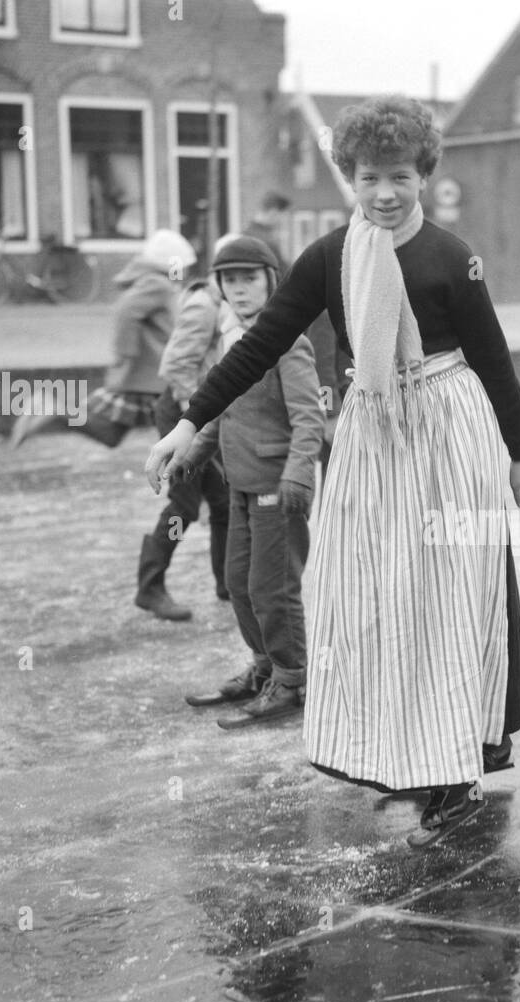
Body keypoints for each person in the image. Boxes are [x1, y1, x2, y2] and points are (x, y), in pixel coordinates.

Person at [144, 95, 520, 848]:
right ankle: (418, 753)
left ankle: (457, 772)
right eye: (367, 178)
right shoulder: (331, 256)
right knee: (377, 595)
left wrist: (518, 457)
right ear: (349, 178)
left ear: (423, 173)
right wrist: (190, 423)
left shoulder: (454, 257)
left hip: (448, 432)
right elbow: (257, 347)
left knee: (448, 600)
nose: (384, 193)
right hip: (373, 435)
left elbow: (493, 361)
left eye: (399, 175)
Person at [177, 235, 324, 727]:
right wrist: (194, 451)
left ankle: (291, 677)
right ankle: (264, 667)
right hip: (238, 481)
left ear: (272, 280)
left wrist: (299, 476)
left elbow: (309, 418)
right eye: (229, 281)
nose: (239, 291)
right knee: (239, 583)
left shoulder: (289, 342)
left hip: (277, 488)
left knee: (272, 587)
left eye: (249, 279)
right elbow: (222, 406)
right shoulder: (233, 340)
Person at [11, 228, 198, 453]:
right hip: (151, 376)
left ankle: (54, 411)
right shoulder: (159, 285)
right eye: (183, 266)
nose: (186, 271)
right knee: (181, 424)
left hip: (145, 375)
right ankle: (184, 478)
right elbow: (126, 312)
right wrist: (125, 353)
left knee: (110, 434)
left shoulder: (157, 283)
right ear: (172, 263)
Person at [138, 233, 240, 622]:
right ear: (218, 272)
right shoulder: (204, 306)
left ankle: (226, 583)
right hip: (183, 415)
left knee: (222, 501)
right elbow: (175, 367)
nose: (240, 284)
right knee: (183, 507)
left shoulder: (221, 303)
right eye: (232, 275)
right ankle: (150, 588)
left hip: (199, 415)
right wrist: (193, 421)